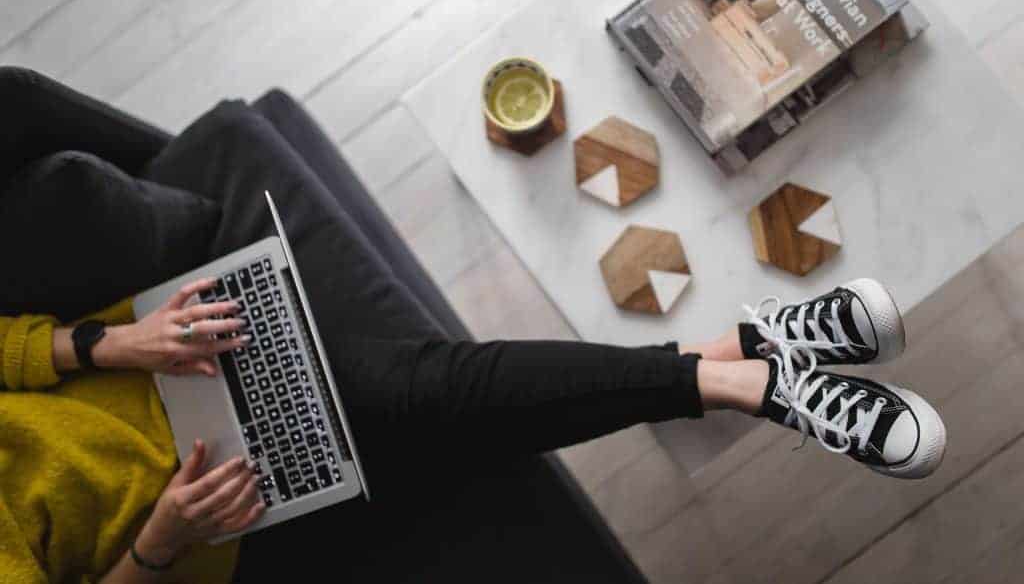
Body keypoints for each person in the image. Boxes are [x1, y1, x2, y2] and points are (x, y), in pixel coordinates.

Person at [0, 71, 946, 583]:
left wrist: (98, 345)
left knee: (434, 385)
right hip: (201, 524)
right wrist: (162, 544)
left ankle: (755, 376)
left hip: (155, 380)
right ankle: (756, 360)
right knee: (443, 394)